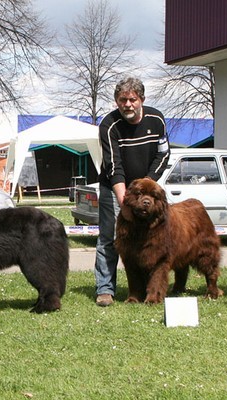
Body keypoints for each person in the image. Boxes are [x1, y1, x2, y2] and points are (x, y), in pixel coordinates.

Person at [94, 77, 171, 307]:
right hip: (115, 188)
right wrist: (126, 201)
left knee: (151, 239)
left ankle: (146, 287)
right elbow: (113, 165)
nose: (127, 104)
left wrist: (147, 186)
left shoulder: (157, 119)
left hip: (147, 187)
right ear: (117, 101)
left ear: (142, 100)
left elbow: (164, 154)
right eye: (122, 100)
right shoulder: (109, 125)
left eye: (132, 100)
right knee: (109, 238)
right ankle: (105, 289)